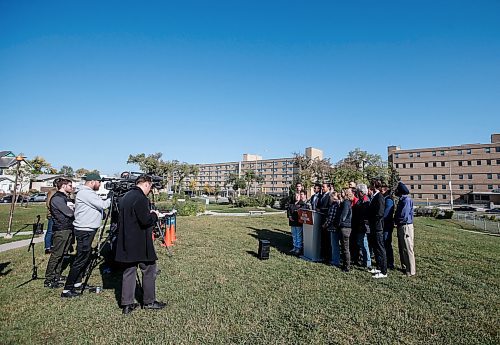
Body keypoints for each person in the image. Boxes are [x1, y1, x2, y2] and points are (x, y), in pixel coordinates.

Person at [115, 175, 166, 314]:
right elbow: (145, 220)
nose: (150, 190)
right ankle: (149, 301)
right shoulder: (141, 198)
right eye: (150, 187)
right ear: (146, 184)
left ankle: (127, 304)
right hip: (140, 242)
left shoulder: (125, 197)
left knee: (129, 271)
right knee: (149, 270)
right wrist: (155, 215)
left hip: (126, 240)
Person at [61, 173, 112, 298]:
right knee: (81, 259)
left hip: (86, 229)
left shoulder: (86, 193)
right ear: (92, 181)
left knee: (84, 256)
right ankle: (67, 289)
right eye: (98, 182)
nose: (100, 185)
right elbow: (103, 205)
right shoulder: (86, 193)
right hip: (85, 230)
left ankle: (77, 282)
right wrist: (112, 197)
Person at [44, 178, 74, 288]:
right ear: (63, 186)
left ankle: (57, 274)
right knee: (56, 254)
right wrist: (75, 210)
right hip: (61, 229)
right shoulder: (57, 198)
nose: (72, 188)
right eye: (70, 185)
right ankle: (49, 278)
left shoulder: (65, 197)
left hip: (68, 228)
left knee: (63, 253)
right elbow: (69, 213)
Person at [394, 182, 416, 277]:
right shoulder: (402, 200)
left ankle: (410, 270)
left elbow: (404, 215)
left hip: (405, 226)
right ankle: (404, 267)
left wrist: (396, 221)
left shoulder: (406, 200)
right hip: (401, 226)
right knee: (402, 247)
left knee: (407, 248)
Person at [368, 180, 387, 279]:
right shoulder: (374, 196)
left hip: (377, 226)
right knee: (376, 247)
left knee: (380, 248)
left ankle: (384, 271)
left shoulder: (379, 196)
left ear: (374, 186)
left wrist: (372, 219)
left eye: (371, 185)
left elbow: (380, 213)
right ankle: (379, 267)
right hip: (373, 226)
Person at [354, 184, 372, 269]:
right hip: (359, 225)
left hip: (364, 226)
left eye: (358, 192)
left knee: (364, 244)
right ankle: (364, 260)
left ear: (361, 192)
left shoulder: (365, 200)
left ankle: (367, 262)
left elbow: (365, 214)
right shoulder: (361, 200)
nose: (356, 193)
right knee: (361, 243)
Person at [323, 192, 340, 267]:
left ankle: (335, 261)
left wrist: (325, 225)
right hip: (335, 227)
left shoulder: (334, 206)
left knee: (334, 245)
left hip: (333, 227)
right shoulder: (336, 205)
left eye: (330, 198)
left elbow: (331, 218)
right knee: (334, 245)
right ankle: (334, 259)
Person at [44, 179, 60, 254]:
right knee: (50, 231)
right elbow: (48, 203)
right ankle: (47, 247)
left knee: (56, 231)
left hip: (59, 215)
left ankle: (54, 245)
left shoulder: (61, 191)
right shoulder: (52, 191)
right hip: (52, 214)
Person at [381, 183, 395, 270]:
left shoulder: (389, 200)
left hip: (387, 225)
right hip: (384, 225)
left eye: (382, 190)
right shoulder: (385, 198)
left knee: (387, 243)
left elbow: (386, 214)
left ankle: (390, 263)